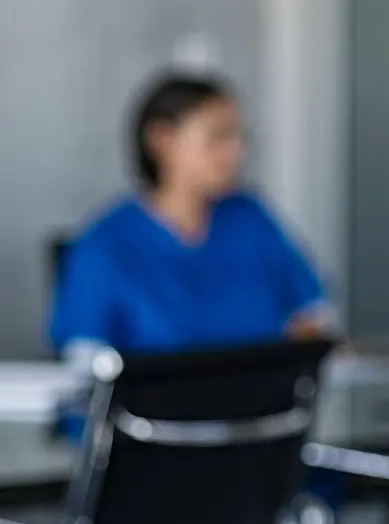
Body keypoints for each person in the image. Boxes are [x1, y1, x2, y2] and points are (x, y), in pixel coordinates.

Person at [48, 72, 333, 368]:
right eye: (218, 137)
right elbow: (85, 364)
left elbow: (310, 314)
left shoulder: (251, 220)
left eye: (239, 137)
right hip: (153, 414)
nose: (236, 152)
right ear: (162, 140)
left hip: (263, 409)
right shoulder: (104, 247)